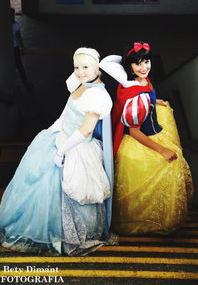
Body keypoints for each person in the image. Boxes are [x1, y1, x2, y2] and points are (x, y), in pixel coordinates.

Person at [0, 47, 115, 255]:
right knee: (38, 186)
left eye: (85, 67)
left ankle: (63, 235)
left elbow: (86, 128)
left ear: (98, 67)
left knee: (68, 190)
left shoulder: (98, 96)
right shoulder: (81, 83)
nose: (80, 71)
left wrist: (62, 150)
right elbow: (66, 113)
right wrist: (53, 131)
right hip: (60, 137)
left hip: (77, 147)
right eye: (76, 67)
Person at [100, 41, 193, 235]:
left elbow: (147, 91)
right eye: (137, 64)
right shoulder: (135, 98)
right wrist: (162, 150)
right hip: (138, 141)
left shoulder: (142, 82)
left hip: (149, 128)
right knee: (158, 177)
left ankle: (154, 218)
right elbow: (134, 131)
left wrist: (155, 100)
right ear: (129, 67)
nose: (144, 68)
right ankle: (145, 221)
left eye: (146, 62)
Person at [10, 8, 33, 89]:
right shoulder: (15, 25)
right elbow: (19, 38)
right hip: (15, 48)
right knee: (19, 66)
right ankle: (25, 83)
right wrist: (22, 47)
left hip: (7, 50)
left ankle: (12, 83)